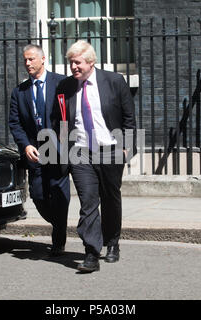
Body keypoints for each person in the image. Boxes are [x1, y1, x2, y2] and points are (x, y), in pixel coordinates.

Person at [52, 40, 137, 272]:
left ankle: (112, 243)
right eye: (71, 63)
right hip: (80, 152)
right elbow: (59, 120)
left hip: (110, 149)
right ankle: (91, 252)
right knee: (88, 202)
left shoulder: (114, 81)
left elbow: (129, 116)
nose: (73, 67)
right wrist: (64, 146)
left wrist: (126, 148)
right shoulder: (65, 87)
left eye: (77, 63)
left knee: (110, 199)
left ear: (90, 62)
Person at [9, 44, 70, 256]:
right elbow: (15, 123)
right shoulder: (20, 91)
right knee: (38, 195)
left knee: (59, 192)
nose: (27, 64)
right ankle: (59, 224)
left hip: (58, 147)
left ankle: (58, 239)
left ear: (43, 59)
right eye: (25, 60)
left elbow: (69, 115)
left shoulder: (61, 83)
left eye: (31, 59)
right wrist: (25, 145)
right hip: (34, 150)